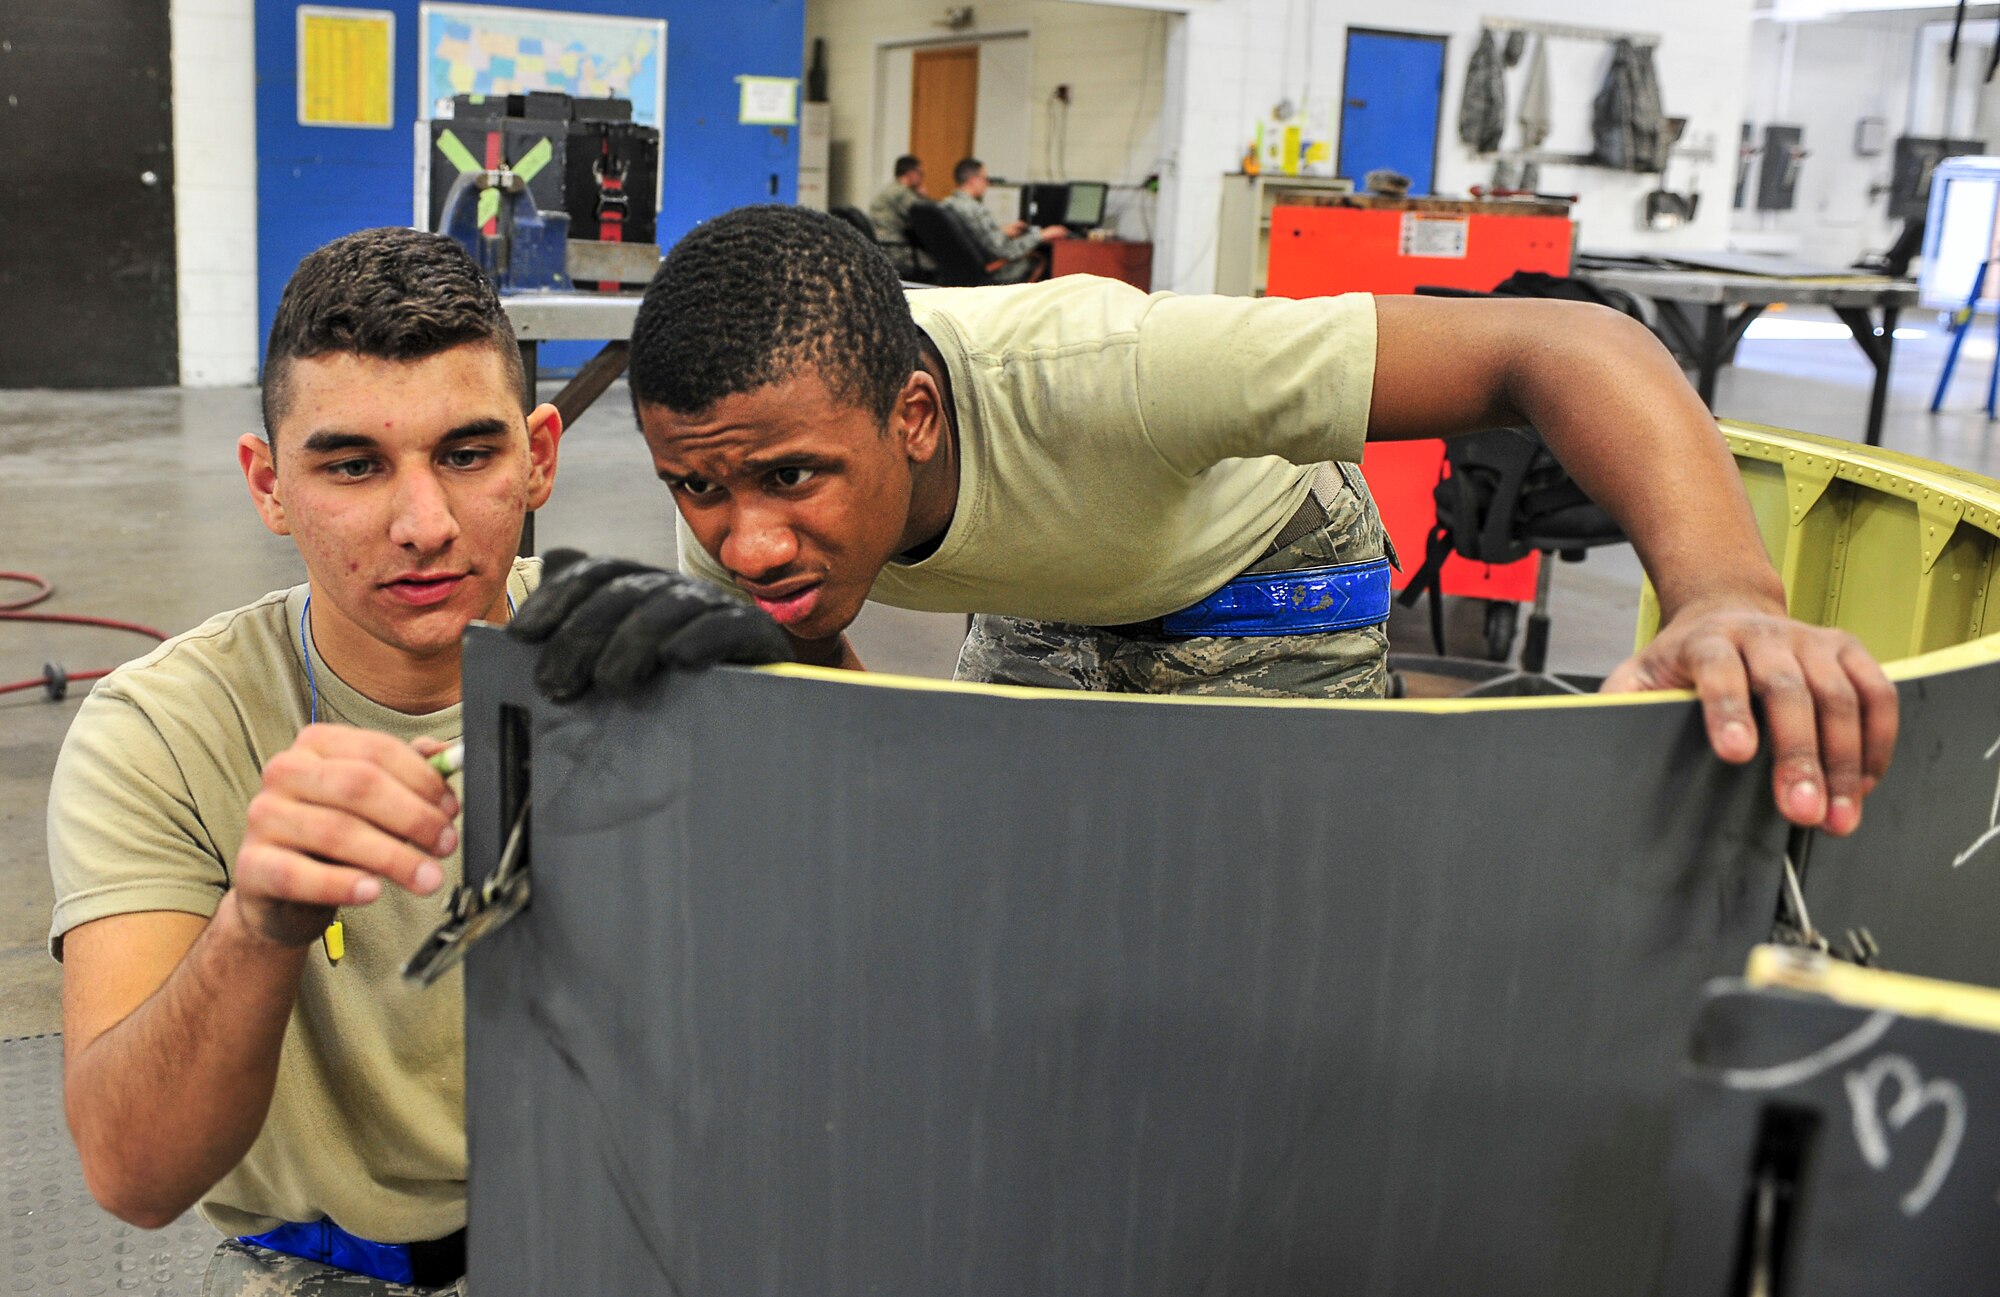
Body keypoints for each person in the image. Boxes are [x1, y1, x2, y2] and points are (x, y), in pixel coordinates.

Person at [514, 204, 1900, 840]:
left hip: (1258, 560)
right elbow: (860, 737)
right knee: (987, 851)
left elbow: (1567, 344)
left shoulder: (1114, 367)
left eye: (793, 483)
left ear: (917, 417)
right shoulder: (734, 471)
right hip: (1068, 570)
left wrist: (1726, 593)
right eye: (702, 489)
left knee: (1254, 891)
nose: (742, 541)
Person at [46, 228, 588, 1295]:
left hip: (603, 1239)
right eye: (352, 465)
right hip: (316, 1270)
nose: (423, 525)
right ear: (268, 485)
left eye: (468, 454)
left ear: (540, 459)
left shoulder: (630, 669)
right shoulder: (164, 731)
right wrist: (257, 921)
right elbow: (133, 1172)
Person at [940, 157, 1067, 283]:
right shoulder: (976, 210)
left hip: (959, 269)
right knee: (1040, 260)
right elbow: (1006, 250)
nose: (988, 183)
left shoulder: (946, 205)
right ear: (973, 181)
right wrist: (1041, 235)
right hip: (991, 271)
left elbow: (972, 237)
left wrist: (1001, 231)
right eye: (985, 179)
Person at [868, 153, 935, 281]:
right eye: (920, 174)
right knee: (937, 264)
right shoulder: (902, 193)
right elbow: (928, 217)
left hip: (881, 247)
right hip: (896, 251)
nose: (922, 178)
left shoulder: (889, 189)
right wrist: (924, 197)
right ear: (911, 174)